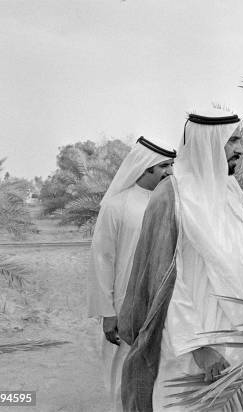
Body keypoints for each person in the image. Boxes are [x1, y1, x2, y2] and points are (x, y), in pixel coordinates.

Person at [118, 108, 243, 412]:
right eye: (232, 140)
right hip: (192, 347)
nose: (240, 148)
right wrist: (199, 347)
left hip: (241, 337)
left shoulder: (232, 191)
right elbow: (164, 278)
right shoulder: (172, 194)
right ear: (207, 142)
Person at [87, 136, 176, 412]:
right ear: (146, 166)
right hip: (124, 306)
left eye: (172, 164)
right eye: (163, 165)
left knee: (157, 376)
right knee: (121, 376)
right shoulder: (116, 206)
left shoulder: (174, 203)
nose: (169, 172)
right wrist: (108, 313)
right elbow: (102, 259)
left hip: (161, 305)